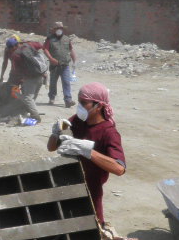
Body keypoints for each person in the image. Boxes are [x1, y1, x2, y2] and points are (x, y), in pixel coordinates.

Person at [48, 83, 125, 225]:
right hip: (68, 183)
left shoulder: (108, 132)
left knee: (92, 228)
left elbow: (119, 168)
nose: (80, 107)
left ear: (99, 106)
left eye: (84, 103)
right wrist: (55, 133)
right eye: (79, 102)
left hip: (90, 190)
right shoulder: (77, 120)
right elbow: (51, 148)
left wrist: (88, 151)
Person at [0, 37, 43, 123]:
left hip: (23, 74)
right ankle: (25, 109)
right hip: (35, 73)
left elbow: (14, 68)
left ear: (15, 46)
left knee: (25, 95)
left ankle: (31, 113)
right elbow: (41, 45)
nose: (9, 50)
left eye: (10, 48)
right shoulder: (28, 45)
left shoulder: (15, 54)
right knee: (28, 94)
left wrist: (22, 78)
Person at [43, 21, 77, 108]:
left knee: (66, 82)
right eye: (57, 28)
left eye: (60, 28)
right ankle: (52, 97)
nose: (59, 30)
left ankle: (68, 100)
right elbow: (45, 49)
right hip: (54, 65)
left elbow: (71, 49)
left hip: (65, 65)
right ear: (54, 30)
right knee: (53, 82)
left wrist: (74, 61)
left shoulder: (66, 38)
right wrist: (51, 58)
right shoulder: (49, 39)